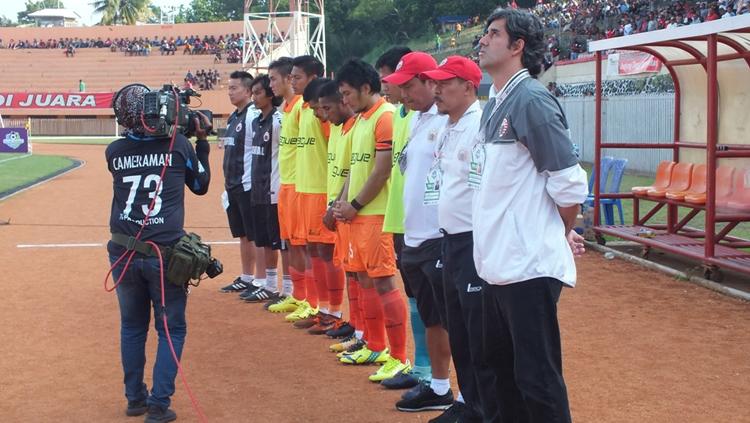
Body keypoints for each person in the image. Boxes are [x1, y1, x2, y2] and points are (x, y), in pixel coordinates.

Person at [475, 8, 588, 423]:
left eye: (493, 33)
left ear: (518, 45)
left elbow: (568, 185)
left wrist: (557, 232)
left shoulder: (532, 100)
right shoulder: (496, 102)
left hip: (526, 267)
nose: (483, 40)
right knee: (501, 374)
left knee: (536, 380)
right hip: (497, 264)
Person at [106, 84, 211, 423]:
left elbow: (137, 151)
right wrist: (201, 143)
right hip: (165, 255)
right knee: (171, 330)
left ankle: (135, 399)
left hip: (123, 252)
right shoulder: (178, 145)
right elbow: (201, 184)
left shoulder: (114, 151)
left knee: (132, 327)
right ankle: (158, 406)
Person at [419, 55, 498, 422]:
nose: (436, 89)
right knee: (460, 331)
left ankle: (485, 409)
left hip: (473, 241)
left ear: (468, 87)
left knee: (478, 333)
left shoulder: (480, 125)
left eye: (444, 82)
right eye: (434, 82)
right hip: (449, 239)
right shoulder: (449, 125)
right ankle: (469, 403)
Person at [381, 52, 454, 413]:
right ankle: (438, 386)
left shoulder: (449, 121)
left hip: (441, 235)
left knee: (452, 318)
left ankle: (463, 393)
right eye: (400, 87)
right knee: (431, 315)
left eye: (410, 86)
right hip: (414, 234)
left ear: (431, 81)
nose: (404, 94)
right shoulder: (416, 120)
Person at [333, 58, 410, 383]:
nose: (345, 100)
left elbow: (381, 170)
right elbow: (354, 167)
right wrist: (341, 202)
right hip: (358, 214)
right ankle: (375, 345)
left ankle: (399, 357)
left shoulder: (385, 117)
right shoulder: (361, 119)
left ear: (366, 88)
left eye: (348, 93)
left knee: (383, 282)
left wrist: (354, 204)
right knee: (364, 279)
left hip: (376, 214)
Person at [375, 46, 432, 392]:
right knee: (415, 298)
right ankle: (420, 364)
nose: (386, 86)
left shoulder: (422, 114)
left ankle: (429, 372)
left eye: (391, 79)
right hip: (400, 218)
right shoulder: (400, 114)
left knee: (429, 303)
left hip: (423, 224)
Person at [238, 74, 285, 303]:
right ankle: (268, 284)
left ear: (269, 94)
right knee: (263, 239)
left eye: (258, 93)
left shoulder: (278, 121)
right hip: (257, 188)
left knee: (277, 241)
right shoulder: (256, 121)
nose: (254, 97)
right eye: (253, 92)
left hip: (273, 189)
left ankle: (284, 287)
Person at [217, 71, 262, 296]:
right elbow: (228, 143)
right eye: (229, 88)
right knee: (243, 234)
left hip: (247, 183)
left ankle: (259, 279)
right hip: (232, 182)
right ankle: (246, 277)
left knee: (253, 234)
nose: (230, 92)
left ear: (247, 90)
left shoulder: (253, 116)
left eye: (234, 88)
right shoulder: (234, 116)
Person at [266, 57, 302, 312]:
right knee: (291, 243)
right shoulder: (286, 110)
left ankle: (310, 298)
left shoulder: (302, 108)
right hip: (286, 185)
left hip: (301, 187)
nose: (270, 85)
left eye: (273, 79)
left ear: (288, 78)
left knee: (303, 246)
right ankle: (299, 295)